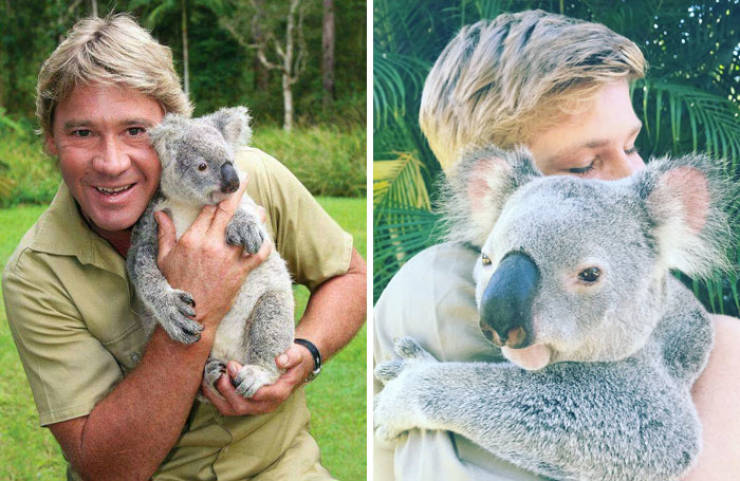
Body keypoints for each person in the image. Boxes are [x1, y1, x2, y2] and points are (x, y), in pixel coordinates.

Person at [374, 9, 740, 481]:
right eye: (584, 165)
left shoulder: (653, 291)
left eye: (631, 146)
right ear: (489, 192)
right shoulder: (445, 291)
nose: (634, 177)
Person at [2, 14, 366, 481]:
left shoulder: (247, 178)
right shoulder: (36, 274)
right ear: (51, 139)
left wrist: (304, 355)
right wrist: (203, 302)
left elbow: (349, 275)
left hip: (283, 467)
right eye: (82, 132)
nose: (111, 163)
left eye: (135, 131)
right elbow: (107, 468)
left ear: (171, 130)